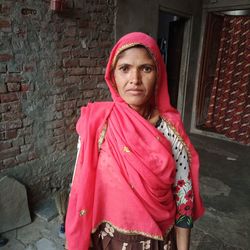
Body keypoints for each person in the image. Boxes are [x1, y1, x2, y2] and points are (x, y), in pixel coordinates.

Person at [65, 32, 204, 250]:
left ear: (158, 75)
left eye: (146, 69)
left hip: (160, 242)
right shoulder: (98, 124)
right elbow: (78, 188)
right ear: (113, 76)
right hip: (108, 241)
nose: (135, 80)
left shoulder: (171, 131)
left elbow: (184, 198)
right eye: (125, 68)